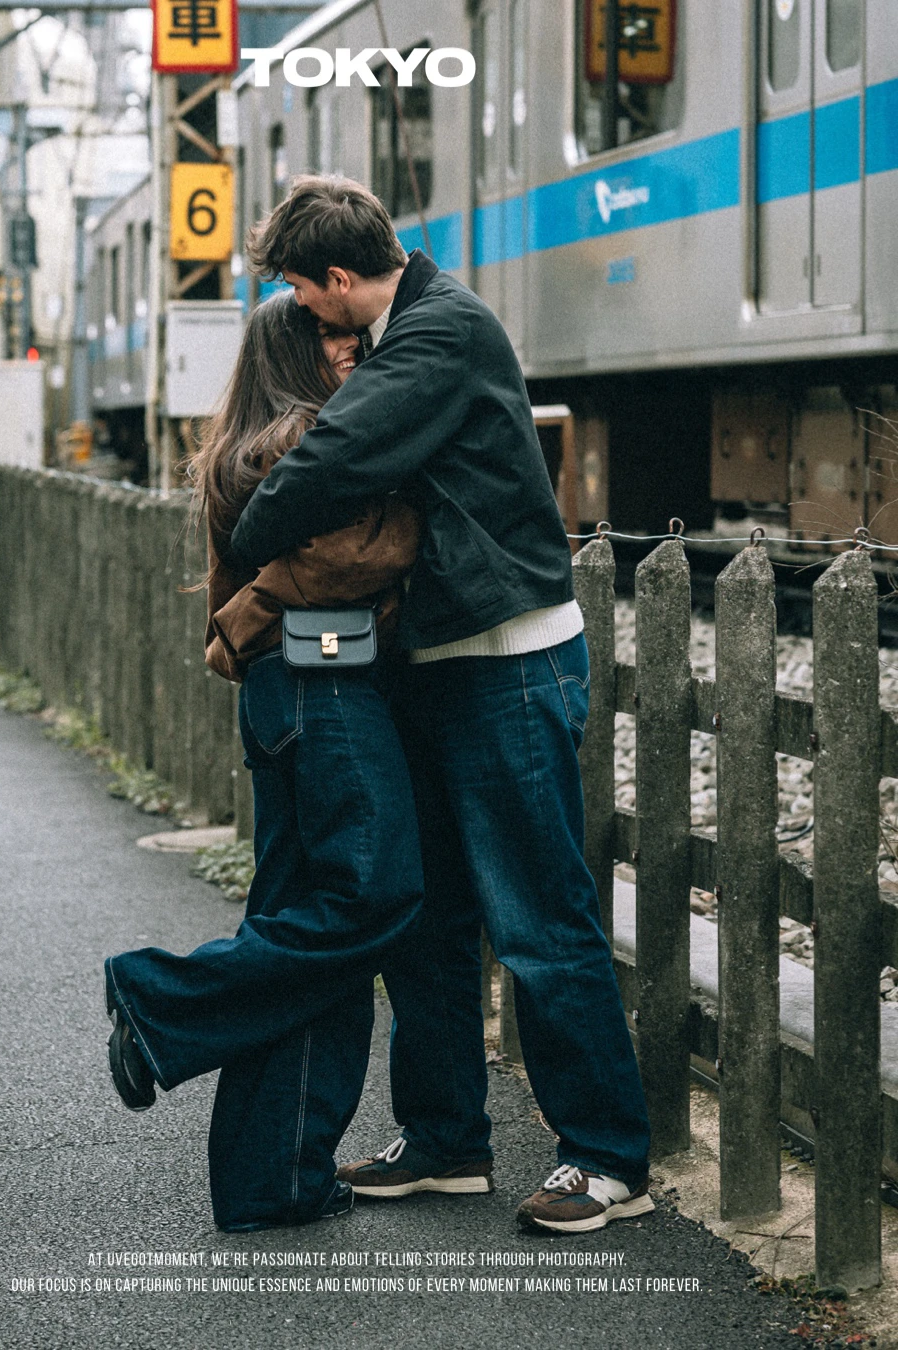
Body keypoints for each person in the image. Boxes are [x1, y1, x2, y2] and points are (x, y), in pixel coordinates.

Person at [228, 176, 654, 1235]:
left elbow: (333, 461)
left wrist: (251, 536)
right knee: (430, 917)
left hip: (507, 658)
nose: (295, 308)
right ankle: (446, 1139)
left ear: (337, 279)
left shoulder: (437, 334)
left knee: (538, 912)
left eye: (297, 286)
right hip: (442, 661)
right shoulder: (396, 333)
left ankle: (607, 1160)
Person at [104, 291, 427, 1233]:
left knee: (301, 926)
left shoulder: (238, 445)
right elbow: (370, 548)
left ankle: (271, 1179)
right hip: (326, 687)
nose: (351, 345)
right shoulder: (299, 441)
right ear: (291, 351)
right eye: (329, 334)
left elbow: (248, 586)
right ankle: (159, 999)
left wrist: (243, 620)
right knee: (375, 898)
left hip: (285, 695)